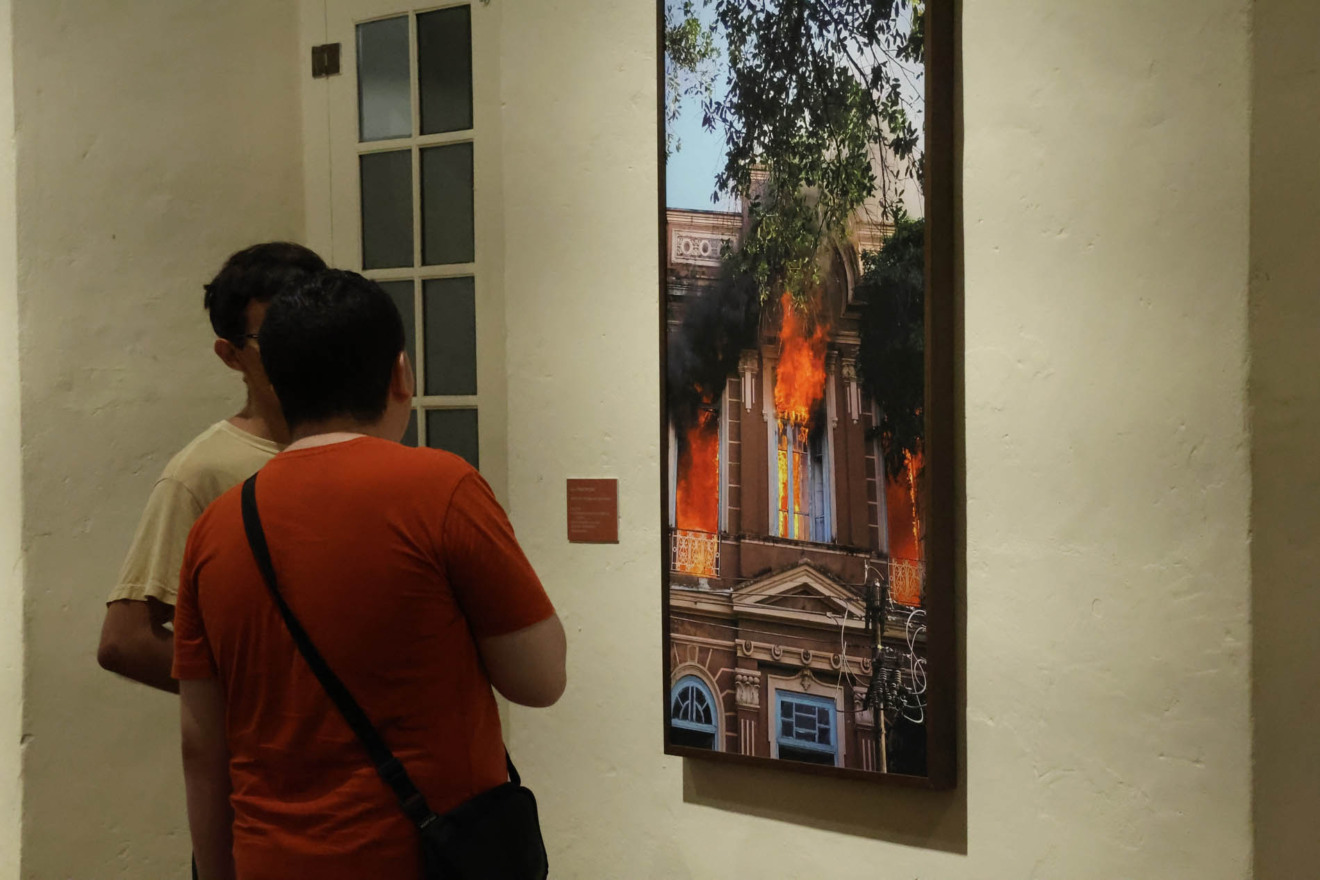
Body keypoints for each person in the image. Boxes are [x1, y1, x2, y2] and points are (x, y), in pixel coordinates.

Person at [173, 269, 566, 880]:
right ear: (400, 374)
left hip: (269, 859)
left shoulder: (218, 526)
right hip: (421, 859)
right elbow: (540, 677)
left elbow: (202, 743)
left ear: (275, 382)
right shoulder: (441, 489)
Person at [97, 242, 328, 692]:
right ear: (231, 355)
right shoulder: (204, 470)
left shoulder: (360, 442)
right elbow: (125, 640)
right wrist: (267, 696)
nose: (301, 354)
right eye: (276, 340)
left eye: (312, 331)